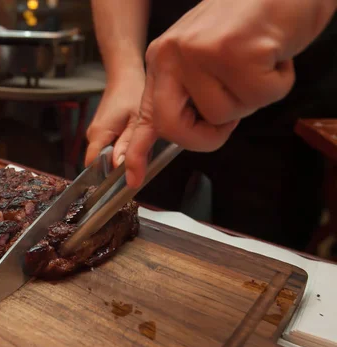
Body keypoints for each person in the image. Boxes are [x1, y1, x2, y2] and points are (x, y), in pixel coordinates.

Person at [86, 0, 337, 250]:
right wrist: (124, 71)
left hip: (289, 99)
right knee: (126, 232)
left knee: (266, 250)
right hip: (160, 84)